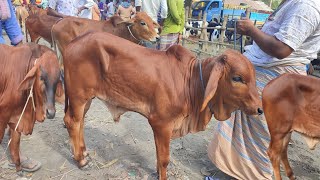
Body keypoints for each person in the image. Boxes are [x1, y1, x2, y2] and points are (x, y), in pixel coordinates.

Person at [207, 0, 320, 179]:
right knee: (250, 130)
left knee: (261, 135)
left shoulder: (306, 7)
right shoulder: (293, 3)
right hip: (266, 75)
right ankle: (236, 173)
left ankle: (259, 175)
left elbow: (282, 49)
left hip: (275, 79)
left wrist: (251, 30)